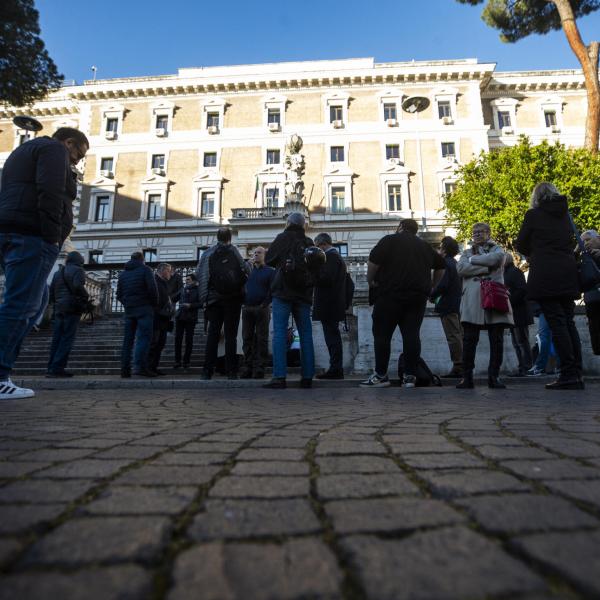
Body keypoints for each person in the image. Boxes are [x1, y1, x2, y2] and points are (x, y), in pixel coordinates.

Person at [0, 127, 89, 400]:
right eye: (79, 153)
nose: (77, 160)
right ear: (68, 142)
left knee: (34, 303)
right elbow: (50, 191)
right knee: (22, 304)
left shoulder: (22, 152)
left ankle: (4, 373)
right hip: (33, 234)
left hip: (14, 229)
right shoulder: (54, 149)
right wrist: (53, 237)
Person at [361, 218, 446, 388]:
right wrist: (432, 286)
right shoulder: (424, 246)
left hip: (389, 294)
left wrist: (370, 281)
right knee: (412, 335)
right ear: (415, 230)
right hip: (417, 297)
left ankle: (381, 375)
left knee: (382, 335)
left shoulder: (389, 240)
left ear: (400, 227)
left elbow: (373, 262)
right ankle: (409, 376)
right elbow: (441, 266)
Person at [515, 183, 584, 390]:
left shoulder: (533, 215)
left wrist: (536, 251)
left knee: (557, 323)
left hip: (546, 273)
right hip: (567, 271)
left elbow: (521, 243)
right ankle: (576, 371)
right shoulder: (565, 214)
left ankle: (568, 374)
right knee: (568, 322)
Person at [456, 223, 513, 389]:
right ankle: (467, 378)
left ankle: (494, 377)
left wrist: (473, 262)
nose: (476, 235)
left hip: (494, 296)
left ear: (488, 233)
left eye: (480, 232)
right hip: (473, 299)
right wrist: (487, 267)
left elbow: (496, 259)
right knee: (469, 340)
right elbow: (461, 268)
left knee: (497, 340)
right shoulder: (466, 252)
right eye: (474, 232)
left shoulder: (497, 249)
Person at [264, 212, 316, 389]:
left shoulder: (282, 237)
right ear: (303, 225)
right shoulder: (309, 242)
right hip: (303, 294)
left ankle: (279, 377)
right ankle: (307, 376)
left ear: (288, 223)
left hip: (283, 292)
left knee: (279, 333)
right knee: (306, 335)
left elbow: (269, 259)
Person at [197, 227, 249, 380]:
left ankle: (207, 371)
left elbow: (202, 275)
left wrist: (204, 299)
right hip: (233, 299)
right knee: (231, 336)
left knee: (213, 335)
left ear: (217, 237)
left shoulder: (208, 253)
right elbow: (246, 270)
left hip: (214, 299)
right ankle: (231, 371)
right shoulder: (234, 251)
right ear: (230, 238)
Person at [46, 251, 89, 378]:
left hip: (59, 308)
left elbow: (51, 292)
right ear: (79, 260)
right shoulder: (78, 270)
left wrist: (57, 304)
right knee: (67, 339)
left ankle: (51, 367)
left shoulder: (57, 273)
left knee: (57, 339)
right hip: (72, 308)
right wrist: (85, 296)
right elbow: (77, 286)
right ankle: (58, 368)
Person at [117, 251, 159, 378]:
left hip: (129, 310)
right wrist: (153, 304)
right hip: (144, 309)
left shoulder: (123, 274)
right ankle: (140, 367)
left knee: (127, 341)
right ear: (142, 259)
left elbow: (118, 294)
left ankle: (125, 369)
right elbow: (152, 289)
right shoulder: (146, 270)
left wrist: (127, 303)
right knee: (144, 339)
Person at [313, 233, 347, 379]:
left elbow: (326, 278)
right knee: (332, 336)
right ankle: (335, 367)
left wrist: (314, 270)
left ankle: (336, 369)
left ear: (322, 244)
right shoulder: (336, 256)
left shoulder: (331, 257)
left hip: (329, 303)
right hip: (333, 303)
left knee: (332, 337)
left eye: (317, 246)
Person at [430, 236, 463, 378]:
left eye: (440, 247)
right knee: (458, 334)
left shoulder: (445, 263)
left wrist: (431, 294)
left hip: (448, 304)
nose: (439, 250)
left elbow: (443, 284)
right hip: (456, 303)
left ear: (444, 249)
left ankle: (458, 366)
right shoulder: (455, 263)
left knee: (453, 335)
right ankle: (461, 365)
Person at [240, 247, 275, 379]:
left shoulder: (270, 271)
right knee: (246, 338)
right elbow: (240, 285)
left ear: (265, 255)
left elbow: (272, 289)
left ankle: (260, 367)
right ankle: (247, 367)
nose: (256, 254)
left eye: (259, 252)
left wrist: (264, 304)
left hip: (262, 309)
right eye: (254, 253)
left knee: (262, 339)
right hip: (247, 308)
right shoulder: (248, 271)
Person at [503, 253, 534, 376]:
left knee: (521, 341)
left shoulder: (514, 272)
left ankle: (526, 367)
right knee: (517, 342)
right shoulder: (507, 272)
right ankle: (522, 367)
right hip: (514, 312)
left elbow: (522, 290)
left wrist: (509, 302)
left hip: (519, 312)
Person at [148, 263, 173, 375]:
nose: (170, 274)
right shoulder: (154, 281)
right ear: (162, 270)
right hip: (155, 318)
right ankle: (148, 367)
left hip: (164, 319)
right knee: (154, 343)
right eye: (169, 271)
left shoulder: (164, 283)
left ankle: (154, 367)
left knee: (160, 344)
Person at [173, 273, 201, 372]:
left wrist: (191, 305)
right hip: (180, 317)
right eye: (186, 279)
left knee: (189, 340)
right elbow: (174, 298)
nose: (186, 281)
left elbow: (201, 303)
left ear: (193, 280)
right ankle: (177, 361)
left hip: (191, 318)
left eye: (188, 279)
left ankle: (186, 361)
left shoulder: (198, 290)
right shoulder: (183, 289)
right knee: (178, 339)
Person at [581, 230, 600, 355]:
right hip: (592, 302)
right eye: (583, 242)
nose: (586, 243)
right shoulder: (584, 258)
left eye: (588, 240)